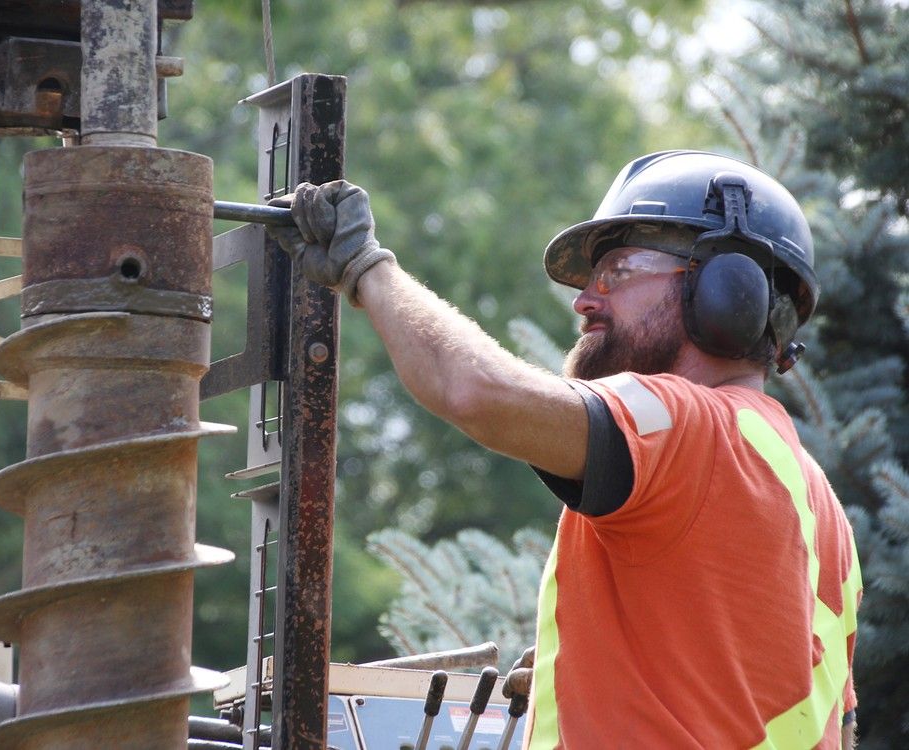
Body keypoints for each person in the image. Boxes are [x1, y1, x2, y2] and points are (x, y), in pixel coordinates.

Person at [267, 150, 861, 749]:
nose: (586, 300)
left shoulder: (689, 428)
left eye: (619, 271)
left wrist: (365, 266)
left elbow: (476, 391)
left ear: (728, 293)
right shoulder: (818, 506)